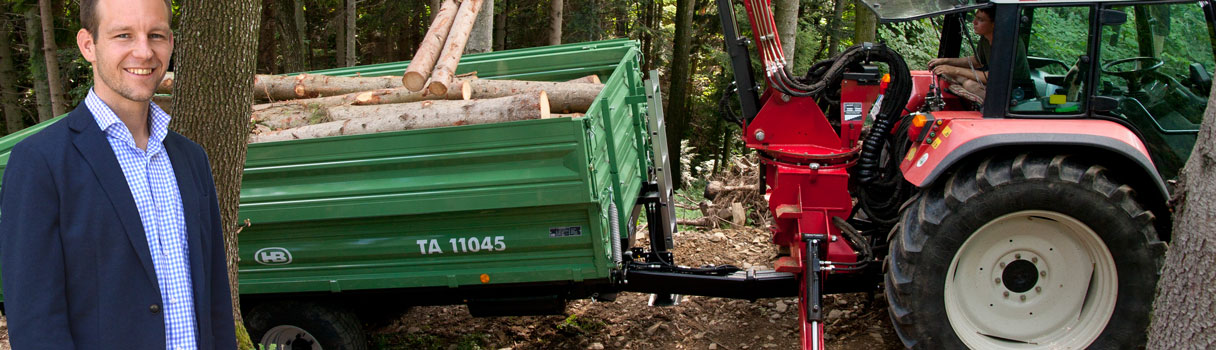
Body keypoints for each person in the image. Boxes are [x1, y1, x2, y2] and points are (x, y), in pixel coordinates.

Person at [0, 0, 237, 348]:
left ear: (170, 43)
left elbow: (216, 297)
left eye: (155, 35)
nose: (143, 51)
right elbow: (36, 323)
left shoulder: (191, 159)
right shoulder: (40, 162)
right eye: (123, 35)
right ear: (88, 45)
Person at [928, 7, 1031, 100]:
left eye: (980, 20)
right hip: (995, 84)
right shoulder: (985, 38)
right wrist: (945, 61)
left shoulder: (1008, 43)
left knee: (970, 85)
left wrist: (955, 69)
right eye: (975, 18)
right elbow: (977, 61)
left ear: (994, 24)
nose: (974, 22)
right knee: (947, 73)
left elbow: (992, 76)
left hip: (1013, 91)